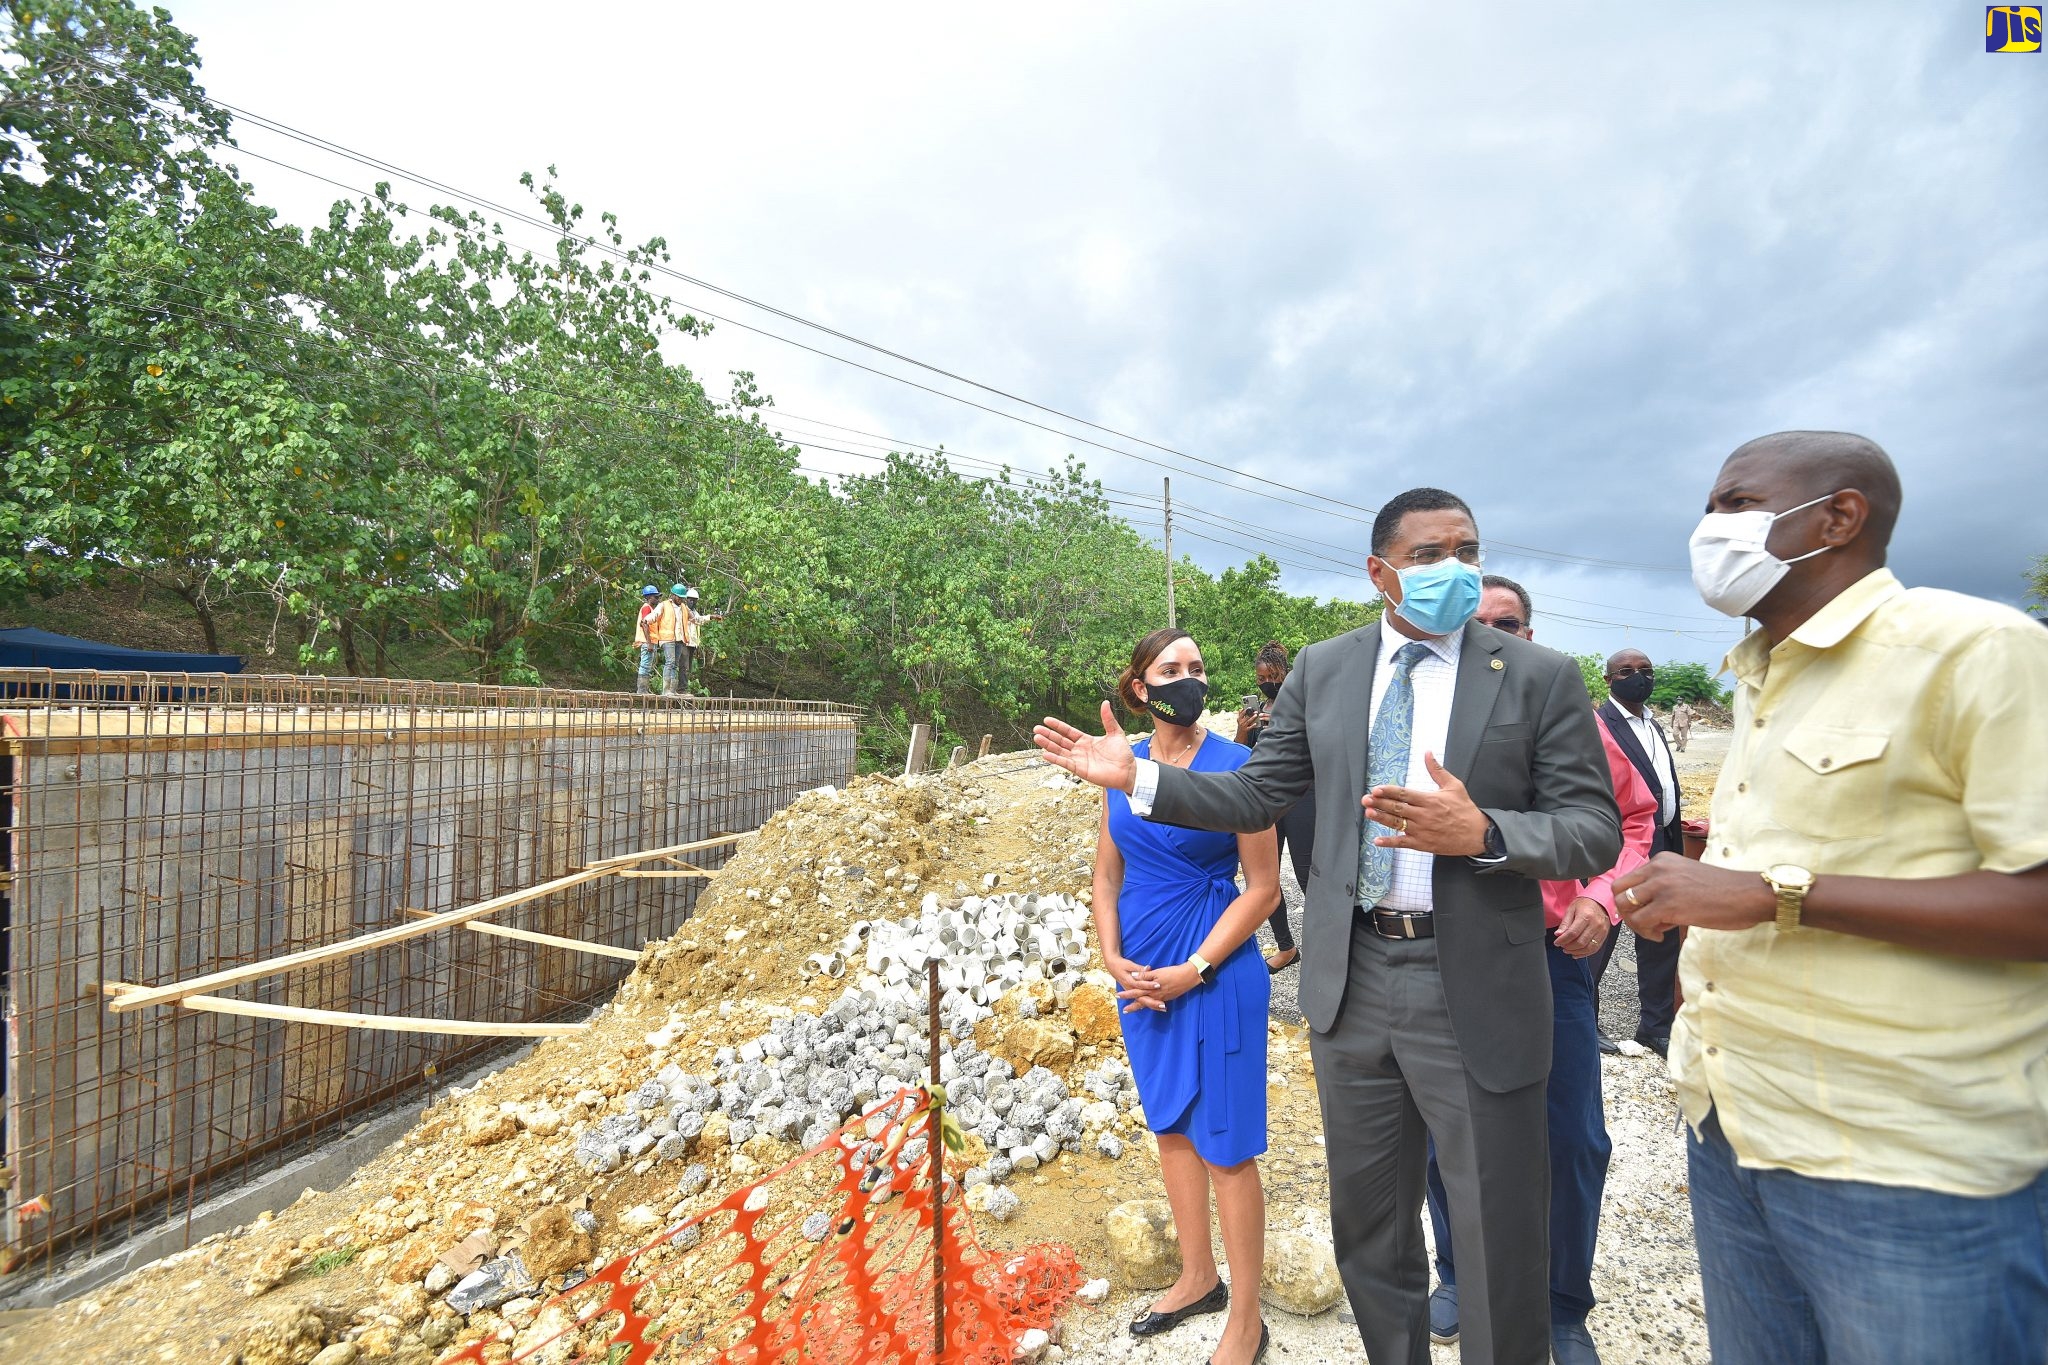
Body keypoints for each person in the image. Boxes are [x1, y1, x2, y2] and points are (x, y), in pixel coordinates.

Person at [1037, 488, 1623, 1365]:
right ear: (1381, 571)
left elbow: (1594, 825)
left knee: (1495, 1228)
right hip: (1355, 982)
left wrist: (1489, 833)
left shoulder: (1536, 676)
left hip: (1475, 982)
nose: (1454, 569)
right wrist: (1139, 782)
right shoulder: (1326, 668)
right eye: (1431, 555)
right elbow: (1254, 793)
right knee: (1372, 1227)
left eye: (1467, 549)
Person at [1616, 431, 2048, 1365]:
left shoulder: (1975, 649)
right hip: (1734, 1127)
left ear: (1838, 516)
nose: (1708, 527)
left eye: (1734, 503)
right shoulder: (1760, 675)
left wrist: (1772, 895)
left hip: (1904, 1163)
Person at [1423, 576, 1658, 1365]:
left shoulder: (1575, 720)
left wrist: (1603, 893)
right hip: (1444, 955)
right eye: (1478, 621)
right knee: (1443, 1130)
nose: (1495, 634)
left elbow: (1632, 817)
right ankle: (1454, 1267)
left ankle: (1562, 1302)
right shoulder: (1427, 724)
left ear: (1531, 632)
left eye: (1510, 622)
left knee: (1572, 1136)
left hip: (1550, 959)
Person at [1094, 627, 1281, 1365]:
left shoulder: (1241, 766)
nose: (1189, 678)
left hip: (1215, 966)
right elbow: (1106, 873)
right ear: (1139, 686)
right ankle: (1198, 1274)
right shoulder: (1123, 763)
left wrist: (1195, 967)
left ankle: (1246, 1317)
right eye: (1172, 668)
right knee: (1170, 1122)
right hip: (1141, 974)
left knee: (1226, 1145)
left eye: (1198, 666)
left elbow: (1263, 889)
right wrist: (1113, 955)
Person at [1594, 650, 1687, 1057]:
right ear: (1608, 679)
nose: (1639, 678)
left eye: (1646, 671)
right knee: (1602, 931)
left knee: (1661, 936)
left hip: (1663, 841)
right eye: (1627, 672)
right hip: (1621, 844)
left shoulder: (1654, 724)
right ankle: (1586, 1019)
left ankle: (1656, 1026)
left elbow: (1662, 782)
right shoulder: (1600, 724)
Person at [1234, 641, 1312, 972]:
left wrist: (1281, 719)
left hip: (1303, 797)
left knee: (1310, 876)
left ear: (1284, 673)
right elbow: (1241, 759)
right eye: (1260, 677)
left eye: (1270, 676)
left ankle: (1332, 946)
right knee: (1266, 878)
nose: (1264, 681)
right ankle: (1286, 947)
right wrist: (1243, 731)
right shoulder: (1260, 709)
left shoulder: (1303, 698)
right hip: (1267, 799)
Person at [673, 586, 722, 692]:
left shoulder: (694, 611)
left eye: (694, 600)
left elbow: (698, 620)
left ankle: (683, 688)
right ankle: (682, 689)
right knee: (684, 666)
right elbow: (697, 620)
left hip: (692, 644)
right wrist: (711, 617)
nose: (693, 602)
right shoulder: (683, 609)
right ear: (686, 599)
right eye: (690, 600)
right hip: (684, 642)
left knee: (688, 668)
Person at [633, 584, 679, 694]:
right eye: (656, 597)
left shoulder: (651, 609)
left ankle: (644, 689)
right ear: (649, 597)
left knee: (648, 666)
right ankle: (642, 690)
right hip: (646, 642)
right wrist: (649, 643)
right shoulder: (646, 608)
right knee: (645, 666)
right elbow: (644, 624)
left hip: (651, 641)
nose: (658, 599)